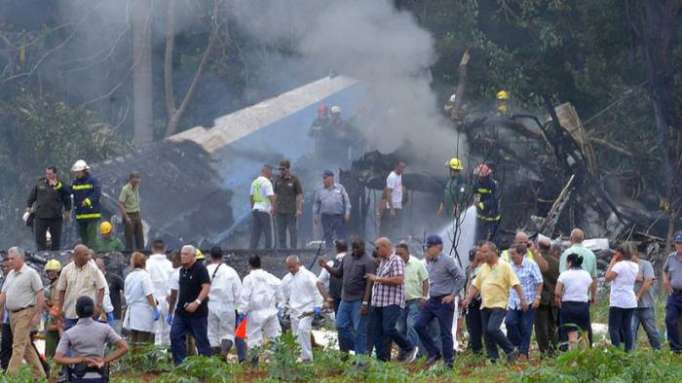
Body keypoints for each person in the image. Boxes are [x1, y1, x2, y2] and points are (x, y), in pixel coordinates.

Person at [462, 242, 524, 363]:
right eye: (481, 252)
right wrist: (468, 299)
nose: (482, 254)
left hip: (499, 304)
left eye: (485, 252)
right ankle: (493, 358)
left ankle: (511, 350)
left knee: (493, 328)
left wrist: (523, 299)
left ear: (493, 252)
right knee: (487, 334)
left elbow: (516, 284)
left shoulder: (504, 266)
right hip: (485, 304)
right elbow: (475, 286)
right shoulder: (483, 268)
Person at [415, 235, 465, 368]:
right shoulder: (429, 261)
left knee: (445, 332)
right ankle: (434, 353)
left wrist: (452, 295)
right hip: (432, 300)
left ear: (438, 247)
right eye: (427, 247)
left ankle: (449, 362)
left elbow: (461, 277)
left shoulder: (448, 261)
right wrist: (425, 297)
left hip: (444, 301)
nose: (427, 249)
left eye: (429, 247)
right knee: (418, 325)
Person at [318, 239, 375, 355]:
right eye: (354, 248)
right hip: (345, 298)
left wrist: (365, 302)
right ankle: (361, 348)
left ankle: (361, 359)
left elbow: (370, 283)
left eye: (358, 248)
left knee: (359, 329)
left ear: (363, 247)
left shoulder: (368, 261)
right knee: (340, 325)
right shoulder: (347, 258)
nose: (356, 250)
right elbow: (338, 274)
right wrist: (326, 267)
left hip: (358, 300)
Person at [54, 296, 128, 383]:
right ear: (93, 311)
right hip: (99, 373)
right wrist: (104, 360)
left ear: (77, 311)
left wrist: (80, 359)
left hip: (78, 375)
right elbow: (124, 347)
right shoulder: (105, 328)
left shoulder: (69, 333)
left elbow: (58, 358)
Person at [365, 238, 416, 362]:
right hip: (379, 303)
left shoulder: (396, 260)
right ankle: (383, 361)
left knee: (388, 328)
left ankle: (409, 347)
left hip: (391, 302)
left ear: (385, 247)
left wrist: (377, 279)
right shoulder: (382, 262)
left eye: (377, 248)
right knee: (378, 332)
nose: (376, 251)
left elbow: (399, 279)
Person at [0, 247, 46, 378]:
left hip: (25, 313)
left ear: (21, 258)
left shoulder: (31, 273)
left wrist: (37, 314)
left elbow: (40, 293)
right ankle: (41, 376)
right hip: (12, 315)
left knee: (18, 346)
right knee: (26, 347)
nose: (9, 261)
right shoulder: (10, 274)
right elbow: (3, 295)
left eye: (12, 258)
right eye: (9, 258)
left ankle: (9, 378)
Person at [170, 245, 211, 365]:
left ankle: (206, 366)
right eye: (182, 254)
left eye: (186, 254)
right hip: (181, 313)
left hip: (197, 313)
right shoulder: (182, 270)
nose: (182, 256)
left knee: (201, 341)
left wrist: (196, 303)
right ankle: (180, 366)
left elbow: (206, 287)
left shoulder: (200, 269)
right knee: (175, 335)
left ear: (193, 256)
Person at [237, 255, 282, 363]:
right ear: (260, 263)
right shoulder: (271, 277)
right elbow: (280, 290)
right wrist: (280, 304)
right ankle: (278, 362)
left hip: (255, 313)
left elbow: (245, 297)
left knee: (254, 339)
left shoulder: (248, 279)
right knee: (275, 337)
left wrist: (241, 312)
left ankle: (254, 365)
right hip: (271, 311)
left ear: (249, 265)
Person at [559, 228, 598, 345]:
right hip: (584, 298)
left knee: (570, 329)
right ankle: (585, 353)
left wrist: (559, 297)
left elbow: (561, 277)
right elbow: (594, 278)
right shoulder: (591, 254)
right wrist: (593, 296)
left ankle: (570, 354)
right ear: (583, 240)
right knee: (584, 327)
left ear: (571, 239)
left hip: (568, 299)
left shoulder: (566, 254)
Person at [281, 255, 323, 362]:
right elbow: (283, 294)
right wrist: (282, 306)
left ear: (298, 264)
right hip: (294, 310)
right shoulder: (287, 279)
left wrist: (318, 306)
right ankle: (299, 356)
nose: (291, 269)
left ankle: (307, 358)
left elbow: (317, 290)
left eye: (293, 267)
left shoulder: (308, 276)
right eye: (289, 267)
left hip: (307, 309)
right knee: (296, 334)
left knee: (303, 329)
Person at [505, 244, 543, 360]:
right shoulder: (509, 267)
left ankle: (523, 353)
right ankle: (517, 346)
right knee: (509, 322)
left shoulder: (531, 265)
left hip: (530, 301)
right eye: (510, 254)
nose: (511, 257)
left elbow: (539, 282)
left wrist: (537, 297)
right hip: (513, 302)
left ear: (521, 254)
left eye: (514, 254)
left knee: (526, 327)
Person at [56, 245, 107, 331]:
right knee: (71, 340)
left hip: (88, 314)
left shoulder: (94, 269)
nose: (89, 257)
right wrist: (60, 309)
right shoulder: (66, 270)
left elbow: (101, 288)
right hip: (70, 313)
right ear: (77, 255)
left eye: (88, 254)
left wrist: (99, 306)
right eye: (86, 255)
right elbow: (61, 290)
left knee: (88, 339)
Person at [206, 246, 241, 358]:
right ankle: (223, 354)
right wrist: (239, 309)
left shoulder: (206, 270)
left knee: (212, 334)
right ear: (222, 256)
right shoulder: (231, 272)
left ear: (210, 257)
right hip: (227, 306)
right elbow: (238, 292)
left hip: (210, 305)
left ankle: (215, 360)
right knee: (227, 333)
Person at [395, 243, 429, 357]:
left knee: (411, 326)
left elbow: (425, 280)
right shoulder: (395, 264)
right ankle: (403, 353)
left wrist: (424, 296)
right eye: (397, 254)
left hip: (415, 300)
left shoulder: (417, 263)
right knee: (400, 328)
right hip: (399, 301)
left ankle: (413, 353)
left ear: (408, 253)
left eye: (401, 254)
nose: (399, 256)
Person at [555, 253, 595, 350]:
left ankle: (573, 362)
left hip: (568, 306)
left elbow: (557, 292)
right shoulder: (586, 274)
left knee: (572, 335)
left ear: (570, 263)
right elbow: (591, 288)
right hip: (583, 306)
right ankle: (584, 360)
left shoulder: (564, 274)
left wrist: (558, 301)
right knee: (583, 334)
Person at [26, 166, 72, 251]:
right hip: (41, 216)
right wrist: (29, 206)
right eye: (47, 173)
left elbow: (67, 196)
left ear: (55, 174)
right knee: (40, 239)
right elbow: (32, 195)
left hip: (55, 217)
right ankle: (41, 255)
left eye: (50, 174)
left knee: (56, 239)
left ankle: (55, 256)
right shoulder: (40, 183)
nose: (48, 175)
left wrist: (67, 210)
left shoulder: (60, 184)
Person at [604, 245, 639, 352]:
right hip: (630, 301)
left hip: (618, 300)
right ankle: (628, 352)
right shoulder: (635, 265)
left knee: (613, 328)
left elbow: (607, 278)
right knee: (627, 328)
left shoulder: (619, 265)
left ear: (620, 253)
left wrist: (612, 261)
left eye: (616, 252)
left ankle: (616, 352)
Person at [123, 252, 160, 344]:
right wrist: (155, 308)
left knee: (134, 342)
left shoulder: (129, 276)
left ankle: (133, 359)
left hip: (132, 314)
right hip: (144, 314)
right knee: (143, 343)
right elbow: (149, 294)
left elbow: (126, 294)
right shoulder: (144, 276)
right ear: (144, 263)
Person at [532, 239, 560, 356]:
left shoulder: (535, 261)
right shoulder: (556, 262)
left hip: (541, 299)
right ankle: (554, 350)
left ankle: (544, 351)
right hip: (553, 298)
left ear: (538, 247)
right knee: (552, 327)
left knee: (540, 327)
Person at [630, 244, 661, 350]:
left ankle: (658, 352)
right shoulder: (626, 266)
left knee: (652, 331)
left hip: (646, 305)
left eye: (631, 254)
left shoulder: (645, 264)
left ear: (636, 253)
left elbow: (648, 281)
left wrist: (638, 295)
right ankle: (630, 356)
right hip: (631, 306)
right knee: (631, 330)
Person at [313, 170, 351, 248]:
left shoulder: (340, 188)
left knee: (341, 236)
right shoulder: (319, 190)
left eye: (325, 178)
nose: (324, 180)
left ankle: (342, 252)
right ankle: (329, 252)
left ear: (331, 178)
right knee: (328, 235)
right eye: (323, 178)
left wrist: (347, 213)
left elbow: (347, 202)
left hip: (338, 216)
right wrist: (315, 215)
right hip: (326, 217)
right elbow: (316, 203)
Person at [147, 239, 174, 346]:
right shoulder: (169, 265)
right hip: (168, 300)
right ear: (165, 249)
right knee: (168, 331)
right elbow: (173, 284)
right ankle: (168, 356)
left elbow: (146, 284)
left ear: (152, 249)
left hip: (153, 301)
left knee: (156, 331)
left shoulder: (148, 264)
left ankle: (159, 357)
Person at [70, 160, 102, 248]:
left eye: (78, 172)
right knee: (84, 240)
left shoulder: (93, 181)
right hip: (80, 215)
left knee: (92, 239)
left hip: (92, 214)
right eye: (75, 172)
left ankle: (93, 256)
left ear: (84, 171)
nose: (76, 174)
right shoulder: (75, 182)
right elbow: (70, 192)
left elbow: (97, 193)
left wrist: (88, 201)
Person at [274, 160, 303, 249]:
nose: (281, 171)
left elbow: (299, 195)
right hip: (279, 211)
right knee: (281, 232)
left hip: (291, 210)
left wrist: (299, 209)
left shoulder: (294, 179)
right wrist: (273, 207)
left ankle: (293, 250)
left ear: (288, 169)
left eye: (283, 169)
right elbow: (275, 194)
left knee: (292, 231)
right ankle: (283, 250)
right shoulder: (277, 179)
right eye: (280, 169)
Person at [316, 240, 347, 315]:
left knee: (339, 322)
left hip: (336, 300)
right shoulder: (353, 262)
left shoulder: (330, 264)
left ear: (336, 249)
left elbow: (319, 283)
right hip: (352, 299)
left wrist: (327, 298)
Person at [250, 165, 277, 249]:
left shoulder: (255, 182)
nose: (271, 173)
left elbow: (251, 197)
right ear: (266, 171)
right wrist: (273, 207)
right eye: (270, 171)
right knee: (269, 232)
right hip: (265, 210)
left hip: (256, 209)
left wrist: (253, 207)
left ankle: (252, 249)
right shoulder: (267, 182)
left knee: (255, 232)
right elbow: (271, 196)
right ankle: (269, 250)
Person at [663, 231, 682, 353]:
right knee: (670, 319)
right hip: (674, 294)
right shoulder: (671, 257)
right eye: (678, 243)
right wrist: (666, 282)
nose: (680, 245)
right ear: (675, 244)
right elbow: (664, 270)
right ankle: (675, 348)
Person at [473, 163, 501, 243]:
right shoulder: (476, 184)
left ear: (487, 176)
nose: (480, 178)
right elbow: (476, 195)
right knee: (479, 239)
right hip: (481, 217)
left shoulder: (493, 185)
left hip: (493, 218)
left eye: (481, 176)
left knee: (493, 241)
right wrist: (476, 202)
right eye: (479, 176)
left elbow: (494, 199)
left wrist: (482, 204)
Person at [95, 257, 124, 332]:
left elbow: (126, 289)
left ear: (104, 267)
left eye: (99, 267)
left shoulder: (113, 278)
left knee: (116, 338)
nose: (97, 269)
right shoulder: (93, 279)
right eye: (96, 267)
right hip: (98, 316)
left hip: (114, 314)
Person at [464, 247, 484, 355]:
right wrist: (466, 297)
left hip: (482, 300)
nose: (473, 261)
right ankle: (476, 350)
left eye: (475, 259)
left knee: (484, 326)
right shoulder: (469, 269)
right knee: (472, 326)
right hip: (471, 301)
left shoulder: (484, 268)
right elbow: (467, 283)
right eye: (472, 259)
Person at [118, 172, 144, 251]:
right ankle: (130, 254)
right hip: (129, 215)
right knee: (129, 237)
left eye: (138, 179)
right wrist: (126, 217)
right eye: (135, 178)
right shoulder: (125, 189)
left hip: (137, 214)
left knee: (140, 237)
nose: (137, 181)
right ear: (130, 179)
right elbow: (120, 203)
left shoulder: (136, 187)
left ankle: (141, 253)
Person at [44, 259, 63, 359]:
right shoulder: (51, 286)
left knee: (53, 349)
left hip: (57, 320)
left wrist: (48, 305)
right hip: (53, 319)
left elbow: (57, 303)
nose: (50, 273)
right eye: (49, 271)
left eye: (53, 271)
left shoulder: (59, 285)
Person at [383, 161, 406, 240]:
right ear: (396, 166)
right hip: (392, 207)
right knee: (390, 229)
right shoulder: (392, 177)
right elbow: (388, 193)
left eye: (404, 167)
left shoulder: (399, 176)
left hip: (398, 206)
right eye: (401, 167)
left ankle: (395, 242)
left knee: (397, 227)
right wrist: (392, 208)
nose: (402, 169)